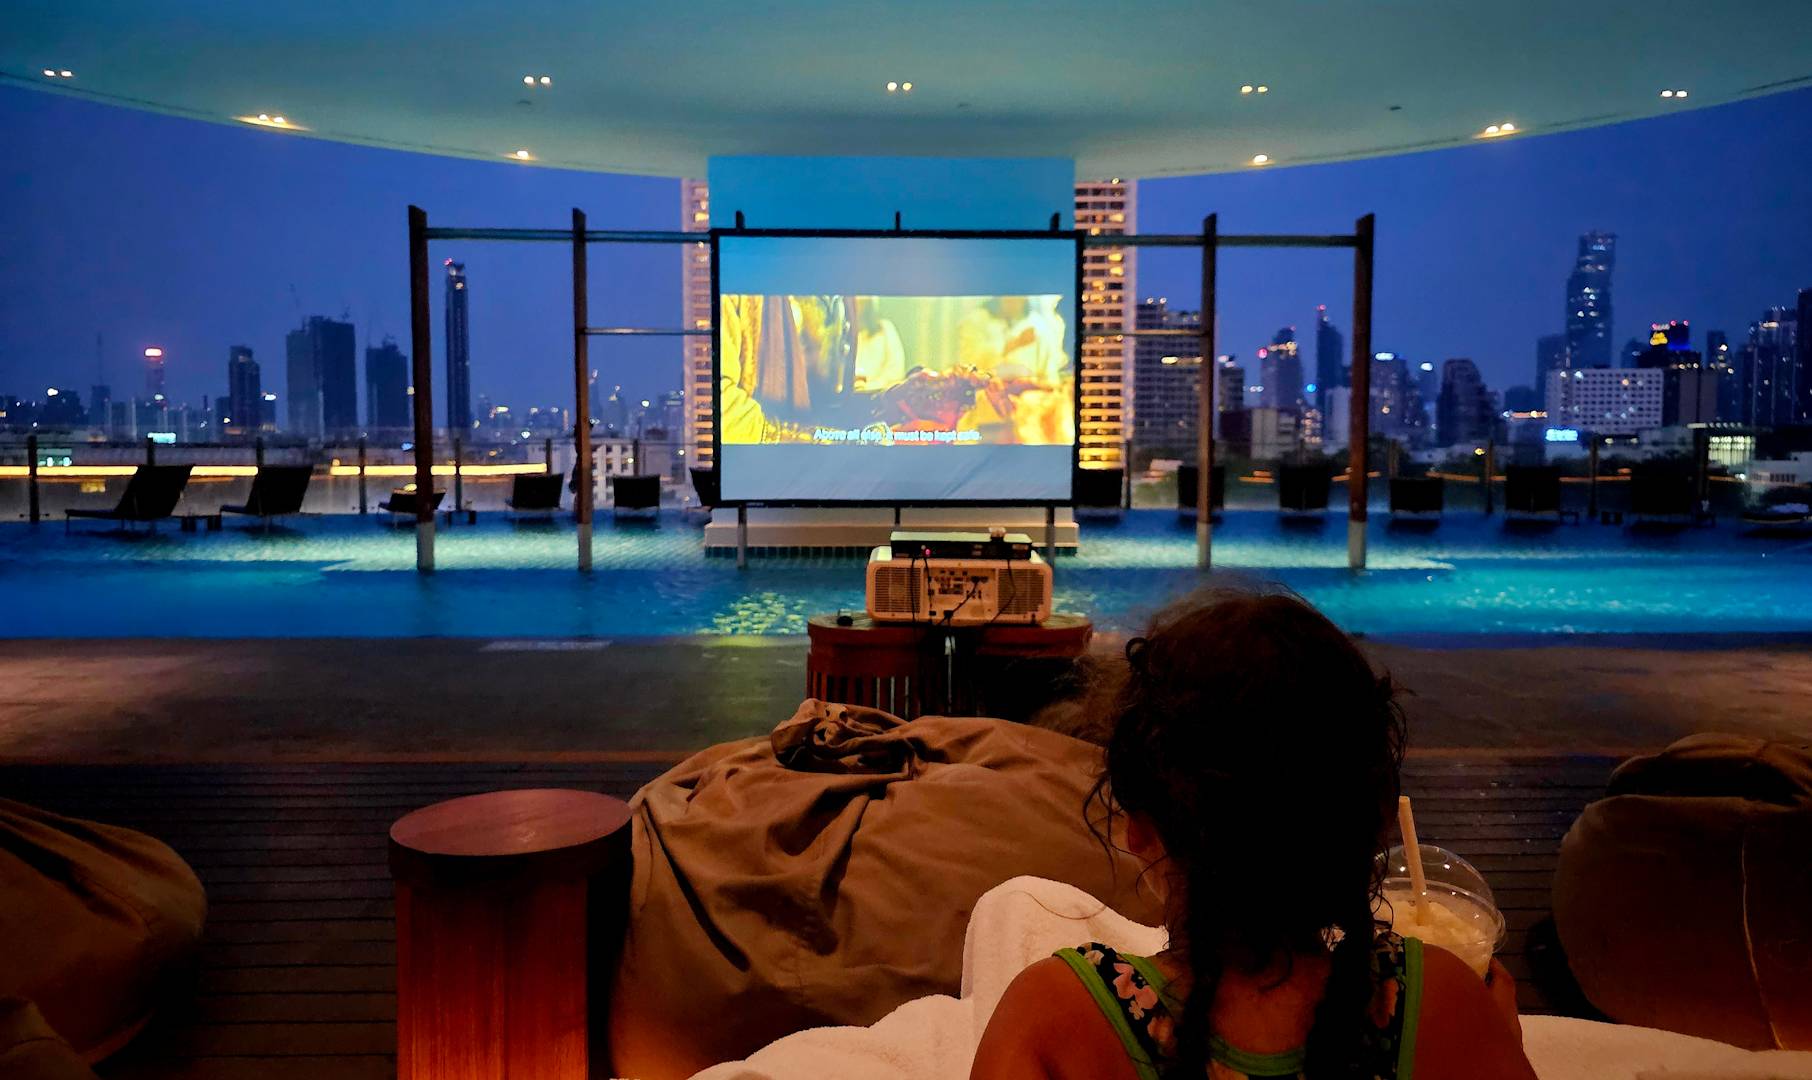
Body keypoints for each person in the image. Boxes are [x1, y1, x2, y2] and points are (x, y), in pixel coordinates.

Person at [971, 588, 1535, 1080]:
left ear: (1139, 828)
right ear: (1377, 819)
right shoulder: (1441, 1003)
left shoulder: (1058, 1016)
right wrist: (1495, 1037)